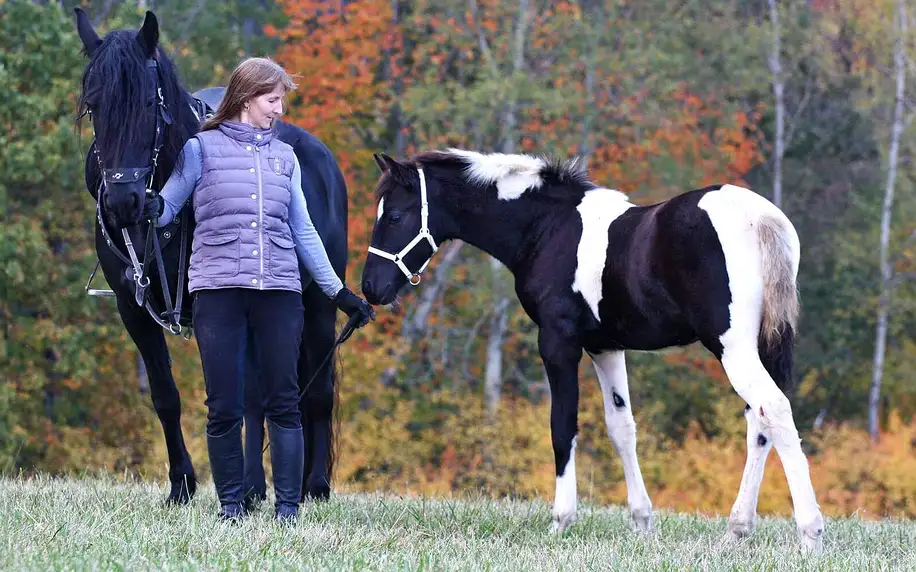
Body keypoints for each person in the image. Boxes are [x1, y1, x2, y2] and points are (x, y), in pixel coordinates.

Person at [142, 57, 374, 522]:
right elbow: (168, 207)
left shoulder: (285, 158)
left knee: (283, 404)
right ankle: (232, 506)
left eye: (281, 99)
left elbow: (304, 232)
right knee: (223, 405)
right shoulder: (199, 150)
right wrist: (146, 206)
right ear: (247, 99)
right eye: (273, 100)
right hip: (218, 292)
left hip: (280, 294)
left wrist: (338, 292)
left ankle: (287, 509)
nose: (280, 109)